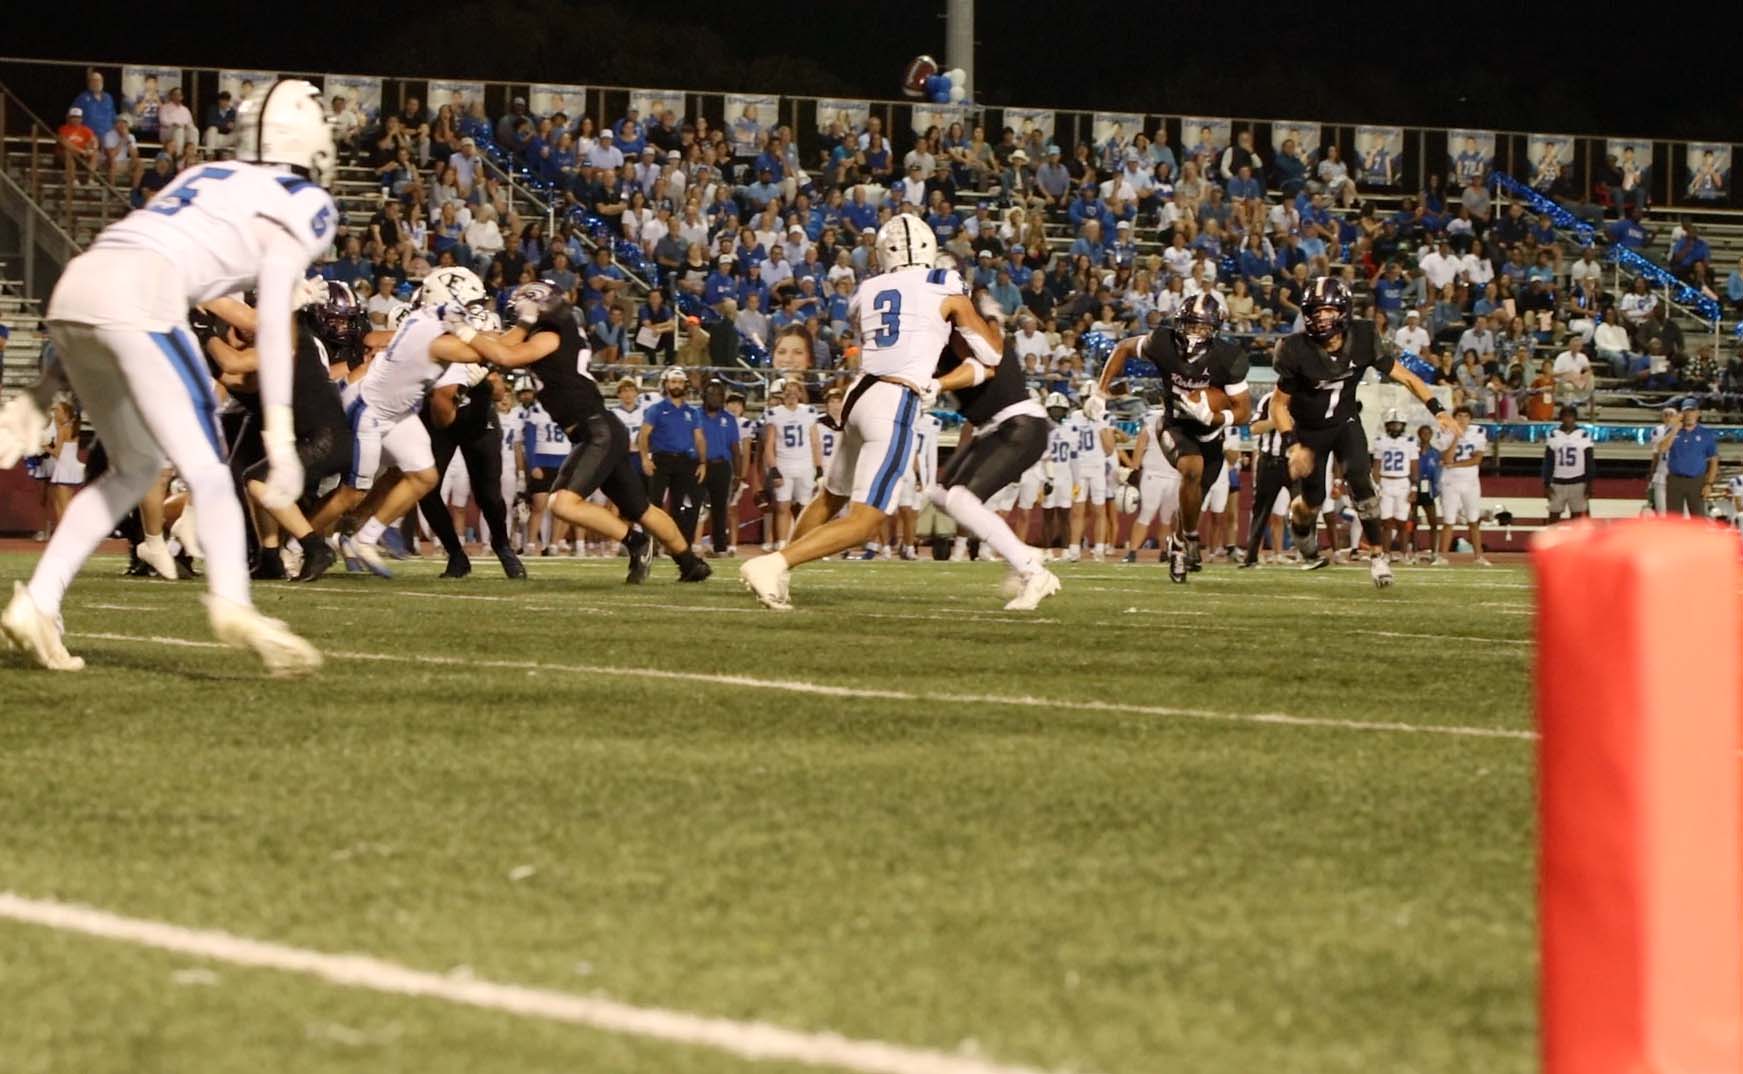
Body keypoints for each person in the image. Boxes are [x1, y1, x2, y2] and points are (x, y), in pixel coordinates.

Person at [0, 81, 337, 674]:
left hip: (80, 284)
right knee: (208, 467)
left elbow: (127, 273)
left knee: (132, 468)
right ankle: (234, 602)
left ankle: (40, 602)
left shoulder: (203, 177)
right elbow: (275, 317)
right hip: (143, 297)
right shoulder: (302, 200)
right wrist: (281, 439)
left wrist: (48, 385)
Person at [739, 214, 1006, 609]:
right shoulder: (943, 282)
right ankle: (772, 564)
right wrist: (992, 321)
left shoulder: (869, 288)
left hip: (859, 393)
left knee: (831, 497)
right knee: (867, 519)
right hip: (896, 398)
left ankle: (779, 571)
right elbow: (991, 352)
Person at [446, 282, 710, 583]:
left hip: (596, 430)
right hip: (596, 429)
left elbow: (505, 355)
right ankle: (690, 563)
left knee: (562, 503)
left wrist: (461, 329)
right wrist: (468, 334)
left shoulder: (550, 334)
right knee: (641, 508)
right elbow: (503, 342)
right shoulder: (559, 329)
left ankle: (636, 542)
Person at [1267, 276, 1460, 587]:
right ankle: (1301, 529)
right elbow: (1277, 406)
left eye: (1327, 311)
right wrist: (1293, 446)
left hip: (1345, 422)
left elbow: (1407, 377)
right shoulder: (1295, 349)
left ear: (1343, 312)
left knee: (1361, 483)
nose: (1320, 318)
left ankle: (1378, 556)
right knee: (1309, 504)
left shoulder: (1363, 336)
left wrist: (1437, 408)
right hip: (1309, 431)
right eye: (1315, 312)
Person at [198, 281, 361, 582]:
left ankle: (314, 547)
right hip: (321, 436)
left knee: (258, 483)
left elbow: (233, 362)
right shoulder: (294, 340)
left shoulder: (290, 339)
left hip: (325, 438)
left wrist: (204, 330)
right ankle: (269, 557)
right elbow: (241, 383)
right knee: (255, 477)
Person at [1097, 294, 1252, 582]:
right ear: (1180, 324)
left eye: (1203, 327)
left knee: (1195, 500)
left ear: (1215, 329)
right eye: (1191, 325)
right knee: (1191, 469)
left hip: (1211, 434)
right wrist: (1100, 390)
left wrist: (1216, 417)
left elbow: (1244, 411)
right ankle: (1190, 538)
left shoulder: (1228, 357)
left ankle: (1180, 543)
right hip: (1174, 425)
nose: (1195, 333)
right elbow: (1123, 348)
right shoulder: (1162, 342)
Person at [639, 367, 706, 535]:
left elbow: (699, 438)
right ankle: (651, 542)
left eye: (680, 382)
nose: (676, 385)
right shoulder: (657, 409)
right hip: (661, 460)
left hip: (684, 460)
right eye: (673, 382)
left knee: (679, 505)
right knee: (654, 504)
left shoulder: (692, 412)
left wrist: (703, 462)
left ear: (685, 385)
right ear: (666, 384)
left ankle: (675, 545)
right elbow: (643, 435)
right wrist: (645, 459)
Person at [760, 375, 820, 548]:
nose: (791, 394)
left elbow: (815, 441)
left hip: (805, 464)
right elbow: (769, 445)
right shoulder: (774, 414)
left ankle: (805, 543)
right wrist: (773, 469)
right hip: (784, 464)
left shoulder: (808, 411)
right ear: (783, 394)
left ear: (800, 393)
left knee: (805, 507)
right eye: (788, 391)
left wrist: (819, 467)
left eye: (795, 391)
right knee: (782, 507)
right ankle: (782, 543)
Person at [1240, 389, 1289, 567]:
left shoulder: (1304, 399)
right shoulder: (1268, 400)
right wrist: (1276, 422)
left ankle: (1279, 553)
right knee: (1261, 511)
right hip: (1269, 460)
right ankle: (1255, 553)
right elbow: (1253, 428)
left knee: (1281, 513)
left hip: (1292, 462)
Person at [1437, 406, 1490, 565]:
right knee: (1448, 520)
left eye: (1466, 416)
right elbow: (1447, 459)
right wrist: (1456, 438)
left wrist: (1455, 465)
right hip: (1450, 482)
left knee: (1473, 520)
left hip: (1470, 482)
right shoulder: (1446, 431)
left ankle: (1479, 556)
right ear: (1454, 418)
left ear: (1470, 418)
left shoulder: (1478, 432)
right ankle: (1443, 557)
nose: (1462, 419)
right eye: (1459, 416)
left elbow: (1477, 459)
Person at [696, 380, 742, 553]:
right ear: (703, 396)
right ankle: (688, 543)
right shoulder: (695, 416)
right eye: (711, 393)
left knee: (720, 509)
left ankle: (720, 547)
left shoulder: (728, 419)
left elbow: (735, 449)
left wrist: (738, 475)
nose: (714, 397)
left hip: (721, 466)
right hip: (700, 465)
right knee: (692, 506)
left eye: (718, 394)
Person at [1370, 408, 1420, 560]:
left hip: (1403, 482)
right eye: (1392, 425)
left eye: (1398, 425)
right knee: (1386, 522)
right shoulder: (1380, 441)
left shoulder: (1410, 442)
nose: (1395, 428)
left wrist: (1414, 487)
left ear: (1403, 426)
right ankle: (1386, 553)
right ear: (1386, 426)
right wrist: (1376, 486)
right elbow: (1376, 466)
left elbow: (1414, 466)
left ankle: (1404, 553)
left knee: (1402, 522)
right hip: (1385, 482)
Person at [1660, 398, 1719, 517]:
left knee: (1698, 519)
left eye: (1692, 411)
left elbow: (1713, 461)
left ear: (1698, 413)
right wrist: (1675, 429)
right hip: (1675, 480)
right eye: (1686, 411)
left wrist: (1709, 484)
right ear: (1681, 414)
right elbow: (1662, 449)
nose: (1689, 414)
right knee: (1673, 519)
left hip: (1696, 481)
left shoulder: (1706, 433)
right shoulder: (1672, 431)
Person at [1543, 406, 1595, 522]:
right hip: (1558, 482)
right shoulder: (1554, 435)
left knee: (1578, 518)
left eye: (1570, 416)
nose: (1567, 419)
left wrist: (1589, 483)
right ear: (1561, 418)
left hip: (1578, 481)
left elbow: (1589, 461)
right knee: (1553, 516)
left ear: (1575, 418)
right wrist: (1546, 483)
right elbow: (1549, 461)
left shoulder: (1583, 435)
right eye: (1565, 416)